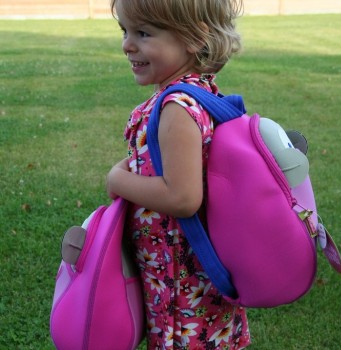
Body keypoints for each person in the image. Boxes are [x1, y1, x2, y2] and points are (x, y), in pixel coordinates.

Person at [107, 0, 251, 348]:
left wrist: (117, 180)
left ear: (193, 37)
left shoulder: (176, 108)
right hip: (186, 266)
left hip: (181, 276)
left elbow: (183, 198)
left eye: (143, 33)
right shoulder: (197, 92)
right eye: (125, 31)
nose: (127, 44)